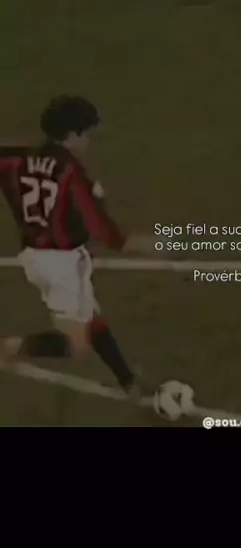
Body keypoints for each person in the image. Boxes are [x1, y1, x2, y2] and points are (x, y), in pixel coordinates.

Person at [0, 95, 156, 399]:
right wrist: (137, 244)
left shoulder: (15, 158)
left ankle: (129, 382)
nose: (88, 142)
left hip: (40, 258)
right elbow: (102, 228)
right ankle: (10, 347)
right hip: (60, 264)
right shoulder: (70, 170)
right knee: (75, 345)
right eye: (86, 135)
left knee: (91, 315)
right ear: (71, 135)